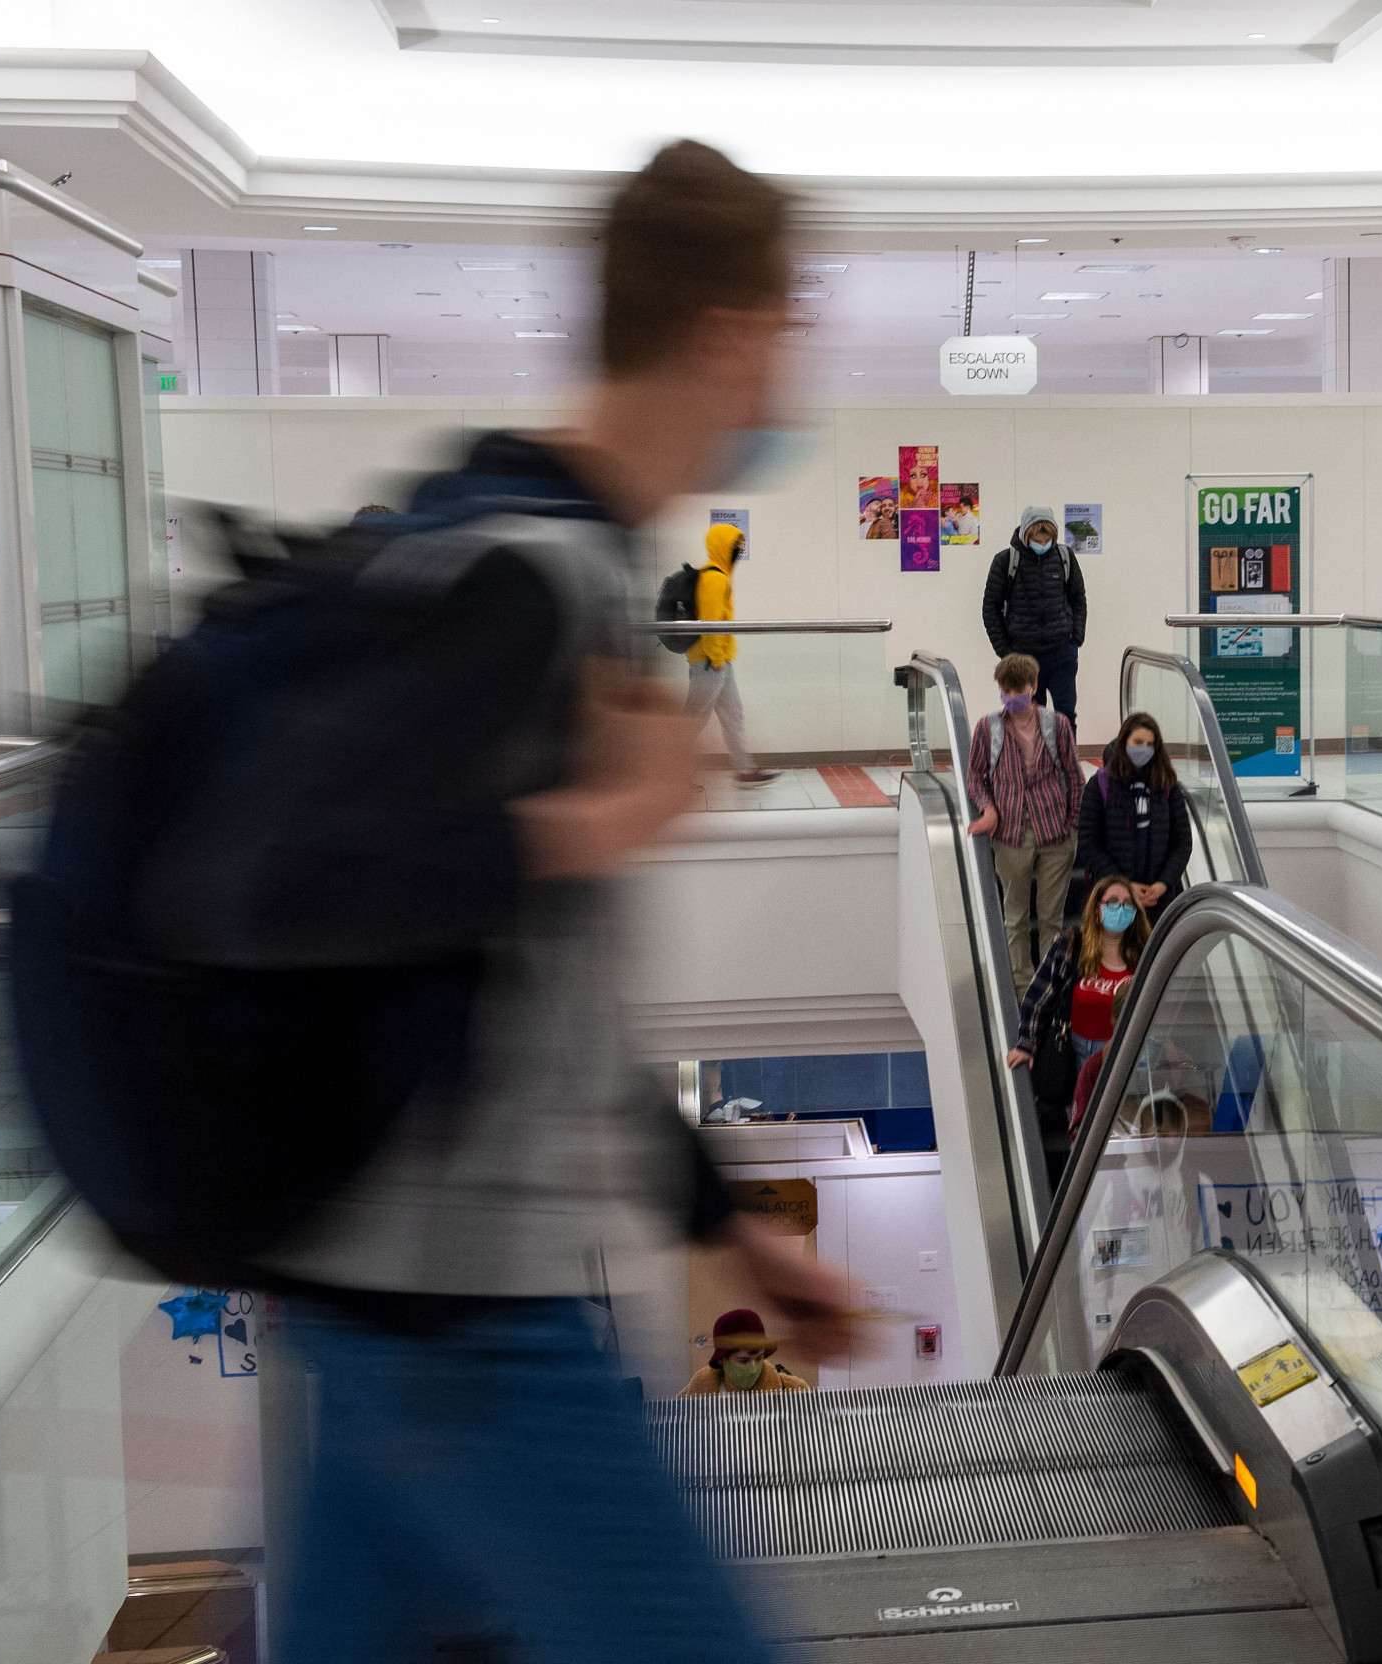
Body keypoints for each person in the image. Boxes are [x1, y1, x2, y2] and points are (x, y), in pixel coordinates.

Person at [257, 140, 860, 1664]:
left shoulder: (523, 535)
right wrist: (607, 817)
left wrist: (727, 1221)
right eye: (794, 328)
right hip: (466, 1321)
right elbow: (319, 885)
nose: (797, 372)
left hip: (383, 1309)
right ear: (729, 334)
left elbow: (523, 994)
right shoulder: (529, 571)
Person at [966, 652, 1081, 995]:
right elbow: (974, 777)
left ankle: (1050, 987)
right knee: (1014, 917)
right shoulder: (988, 728)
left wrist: (1073, 824)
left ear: (1033, 687)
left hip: (1055, 832)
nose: (1012, 696)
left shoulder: (1056, 724)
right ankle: (1021, 987)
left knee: (1051, 918)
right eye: (1006, 689)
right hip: (1011, 834)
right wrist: (988, 809)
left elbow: (1074, 775)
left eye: (1019, 689)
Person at [1007, 875, 1152, 1133]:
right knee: (1083, 1126)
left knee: (1124, 1125)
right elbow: (1040, 995)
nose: (1121, 908)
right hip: (1076, 1051)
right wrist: (1026, 1044)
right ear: (1097, 910)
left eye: (1128, 903)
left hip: (1125, 1050)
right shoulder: (1071, 945)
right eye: (1113, 902)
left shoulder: (1144, 953)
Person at [686, 520, 777, 787]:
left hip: (719, 660)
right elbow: (711, 622)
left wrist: (720, 659)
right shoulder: (714, 578)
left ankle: (745, 769)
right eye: (736, 546)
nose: (738, 551)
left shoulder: (717, 575)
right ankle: (666, 774)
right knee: (693, 719)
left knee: (733, 714)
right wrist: (715, 659)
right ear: (722, 547)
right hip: (709, 661)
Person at [1079, 711, 1194, 918]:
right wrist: (1124, 886)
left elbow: (1183, 841)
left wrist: (1162, 884)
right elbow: (1089, 843)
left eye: (1150, 744)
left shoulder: (1168, 786)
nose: (1144, 749)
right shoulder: (1100, 785)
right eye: (1138, 742)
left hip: (1158, 899)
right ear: (1124, 742)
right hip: (1113, 899)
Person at [982, 505, 1088, 723]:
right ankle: (1033, 758)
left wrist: (1076, 639)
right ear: (1025, 534)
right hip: (1024, 656)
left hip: (1062, 652)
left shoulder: (1064, 557)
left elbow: (1078, 598)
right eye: (1037, 539)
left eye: (1046, 538)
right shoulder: (1005, 561)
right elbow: (990, 608)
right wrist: (1005, 652)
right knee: (1030, 716)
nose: (1042, 544)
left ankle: (1065, 757)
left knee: (1065, 715)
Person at [678, 1307, 811, 1396]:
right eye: (744, 1360)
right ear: (722, 1359)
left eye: (759, 1358)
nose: (753, 1367)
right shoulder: (691, 1398)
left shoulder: (792, 1391)